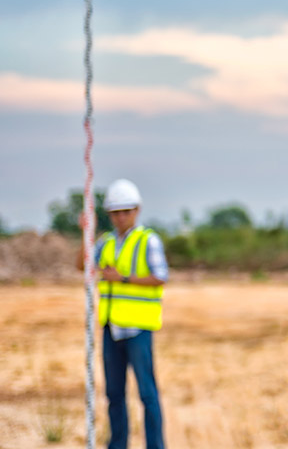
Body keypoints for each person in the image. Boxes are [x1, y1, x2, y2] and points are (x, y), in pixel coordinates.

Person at [78, 178, 167, 449]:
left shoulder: (147, 240)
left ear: (136, 210)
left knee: (147, 394)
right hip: (110, 327)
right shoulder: (104, 243)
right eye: (115, 213)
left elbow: (160, 276)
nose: (120, 217)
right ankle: (117, 444)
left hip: (138, 329)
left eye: (125, 211)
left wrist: (123, 279)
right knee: (114, 394)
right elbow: (82, 266)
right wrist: (85, 234)